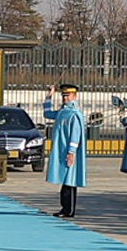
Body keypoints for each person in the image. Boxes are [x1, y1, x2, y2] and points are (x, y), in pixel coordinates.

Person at [44, 84, 88, 218]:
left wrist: (71, 152)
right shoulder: (63, 112)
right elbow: (47, 113)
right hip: (61, 150)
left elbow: (75, 135)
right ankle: (64, 207)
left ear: (74, 96)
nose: (65, 98)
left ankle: (69, 210)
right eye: (63, 95)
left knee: (70, 181)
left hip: (69, 152)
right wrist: (48, 97)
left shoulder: (74, 114)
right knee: (65, 180)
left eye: (67, 95)